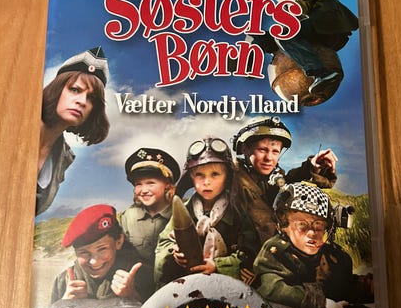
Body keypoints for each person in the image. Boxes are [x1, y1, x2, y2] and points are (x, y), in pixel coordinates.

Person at [253, 181, 367, 308]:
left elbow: (341, 286)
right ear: (283, 226)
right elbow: (271, 287)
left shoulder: (334, 258)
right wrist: (323, 302)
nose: (312, 233)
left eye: (318, 226)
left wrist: (365, 288)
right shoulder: (277, 251)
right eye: (302, 225)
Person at [154, 136, 260, 288]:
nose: (207, 182)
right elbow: (164, 243)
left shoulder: (237, 211)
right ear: (191, 178)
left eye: (215, 174)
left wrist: (218, 266)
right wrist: (175, 253)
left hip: (227, 288)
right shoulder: (184, 211)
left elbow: (251, 253)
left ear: (227, 177)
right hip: (188, 286)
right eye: (199, 175)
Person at [251, 0, 359, 97]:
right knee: (261, 37)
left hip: (326, 25)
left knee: (284, 34)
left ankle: (322, 73)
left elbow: (301, 8)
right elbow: (291, 17)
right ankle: (246, 63)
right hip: (313, 28)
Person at [232, 116, 338, 246]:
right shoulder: (229, 178)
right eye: (262, 150)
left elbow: (285, 183)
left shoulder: (271, 178)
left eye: (275, 151)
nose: (269, 158)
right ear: (244, 148)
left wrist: (313, 166)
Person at [37, 47, 110, 215]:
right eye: (75, 90)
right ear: (57, 89)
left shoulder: (64, 158)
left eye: (91, 98)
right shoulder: (16, 126)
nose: (82, 101)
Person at [51, 204, 154, 304]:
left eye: (102, 249)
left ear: (119, 242)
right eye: (84, 252)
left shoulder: (142, 276)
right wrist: (64, 303)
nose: (94, 262)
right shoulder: (63, 282)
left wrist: (132, 295)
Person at [120, 148, 180, 266]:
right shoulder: (128, 216)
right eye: (138, 184)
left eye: (151, 183)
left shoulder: (180, 214)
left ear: (167, 185)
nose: (144, 190)